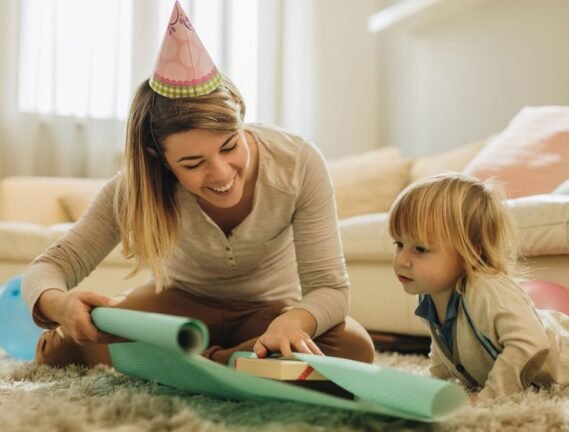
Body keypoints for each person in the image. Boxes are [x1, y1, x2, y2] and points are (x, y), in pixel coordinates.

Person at [21, 1, 374, 368]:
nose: (221, 174)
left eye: (229, 146)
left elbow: (330, 288)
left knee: (352, 346)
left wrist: (294, 321)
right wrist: (60, 304)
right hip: (177, 310)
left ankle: (198, 363)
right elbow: (50, 266)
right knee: (61, 351)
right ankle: (234, 364)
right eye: (193, 163)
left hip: (267, 314)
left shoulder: (299, 162)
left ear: (241, 117)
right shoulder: (137, 187)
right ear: (160, 158)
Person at [387, 173, 569, 403]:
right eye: (399, 244)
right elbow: (443, 348)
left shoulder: (488, 289)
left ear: (470, 253)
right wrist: (436, 386)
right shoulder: (429, 293)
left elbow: (529, 341)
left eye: (420, 249)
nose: (402, 259)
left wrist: (490, 396)